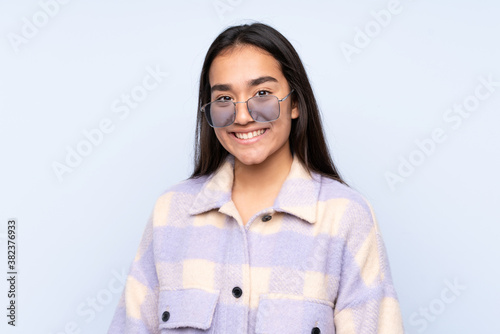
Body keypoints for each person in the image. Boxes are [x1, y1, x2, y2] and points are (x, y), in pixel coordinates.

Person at [108, 22, 404, 334]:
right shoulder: (171, 212)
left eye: (262, 93)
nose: (242, 116)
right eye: (224, 99)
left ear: (294, 103)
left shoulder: (345, 216)